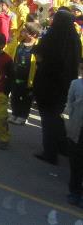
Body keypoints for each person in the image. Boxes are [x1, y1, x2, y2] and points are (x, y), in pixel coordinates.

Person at [33, 10, 82, 165]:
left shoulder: (52, 36)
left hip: (48, 83)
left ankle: (50, 152)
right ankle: (62, 146)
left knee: (48, 118)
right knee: (56, 115)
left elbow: (39, 53)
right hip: (65, 84)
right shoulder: (75, 38)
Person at [10, 22, 40, 125]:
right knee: (15, 95)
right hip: (17, 75)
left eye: (25, 31)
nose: (22, 31)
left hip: (30, 78)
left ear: (33, 34)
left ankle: (23, 116)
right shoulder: (20, 44)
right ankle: (15, 113)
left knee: (26, 98)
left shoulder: (38, 46)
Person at [66, 59, 83, 207]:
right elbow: (70, 103)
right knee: (76, 163)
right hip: (77, 129)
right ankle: (75, 191)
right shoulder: (76, 84)